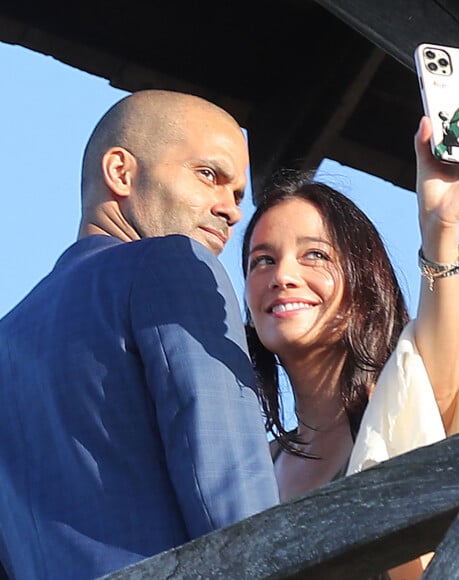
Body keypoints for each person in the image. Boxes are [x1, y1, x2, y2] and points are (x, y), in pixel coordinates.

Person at [0, 90, 279, 580]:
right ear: (121, 172)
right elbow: (232, 493)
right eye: (209, 175)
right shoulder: (176, 264)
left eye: (237, 195)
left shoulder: (8, 337)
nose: (232, 210)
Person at [242, 94, 459, 578]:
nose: (282, 275)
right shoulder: (257, 466)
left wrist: (441, 226)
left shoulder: (401, 407)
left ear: (363, 283)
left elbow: (440, 376)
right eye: (262, 260)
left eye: (315, 255)